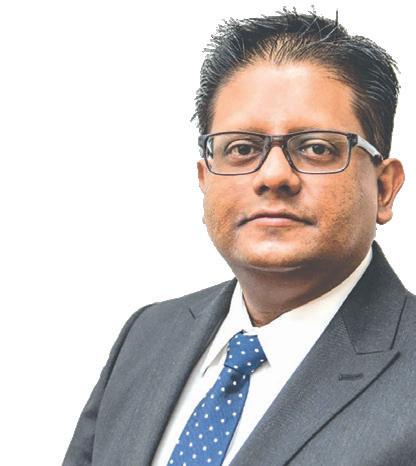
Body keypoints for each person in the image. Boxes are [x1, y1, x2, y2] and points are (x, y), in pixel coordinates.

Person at [63, 10, 416, 466]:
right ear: (205, 180)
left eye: (316, 148)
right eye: (242, 149)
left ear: (384, 188)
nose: (274, 176)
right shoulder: (147, 335)